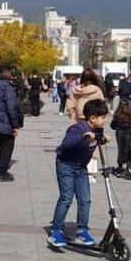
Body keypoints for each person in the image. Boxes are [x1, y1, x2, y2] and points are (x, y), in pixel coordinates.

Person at [47, 99, 111, 248]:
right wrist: (84, 137)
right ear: (92, 118)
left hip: (81, 167)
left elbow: (95, 140)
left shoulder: (98, 130)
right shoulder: (77, 129)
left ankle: (82, 230)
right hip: (66, 165)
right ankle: (56, 230)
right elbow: (66, 144)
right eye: (102, 117)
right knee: (66, 198)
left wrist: (102, 139)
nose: (105, 120)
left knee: (85, 199)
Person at [110, 101, 131, 180]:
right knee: (129, 148)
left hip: (119, 132)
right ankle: (128, 164)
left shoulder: (117, 115)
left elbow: (112, 126)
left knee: (121, 149)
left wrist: (117, 126)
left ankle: (120, 165)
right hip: (128, 132)